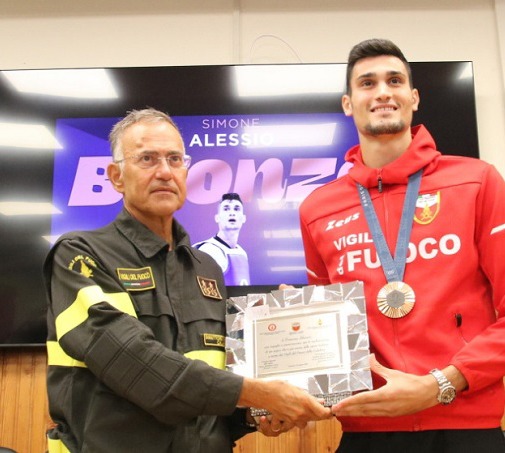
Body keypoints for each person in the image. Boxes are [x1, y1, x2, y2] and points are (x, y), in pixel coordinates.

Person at [297, 39, 505, 452]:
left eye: (394, 80)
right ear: (348, 103)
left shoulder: (476, 182)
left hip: (466, 429)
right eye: (367, 83)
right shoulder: (316, 209)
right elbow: (326, 333)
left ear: (413, 98)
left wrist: (440, 385)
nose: (382, 91)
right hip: (366, 434)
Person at [44, 108, 331, 453]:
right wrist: (260, 393)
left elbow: (209, 400)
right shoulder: (79, 257)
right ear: (116, 176)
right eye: (147, 159)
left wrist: (256, 414)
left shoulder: (206, 268)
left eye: (174, 159)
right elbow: (136, 366)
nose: (164, 171)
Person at [195, 193, 251, 286]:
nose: (232, 213)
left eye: (236, 209)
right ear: (217, 218)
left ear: (244, 218)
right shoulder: (208, 251)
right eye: (226, 209)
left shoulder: (242, 253)